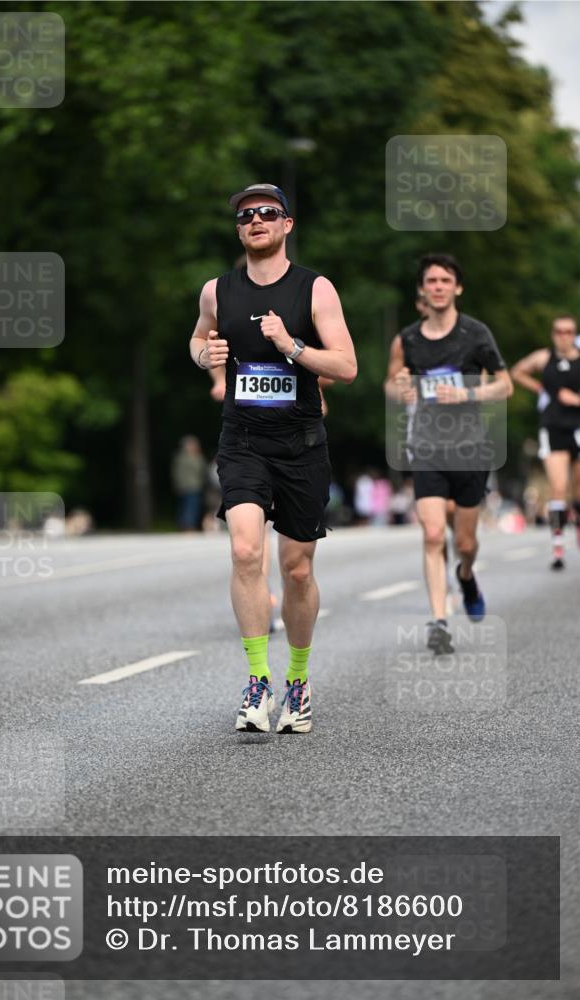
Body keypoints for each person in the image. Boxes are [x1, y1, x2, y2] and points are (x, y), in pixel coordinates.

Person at [189, 183, 357, 733]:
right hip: (242, 441)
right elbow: (198, 341)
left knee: (297, 569)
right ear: (239, 230)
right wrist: (205, 355)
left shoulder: (315, 289)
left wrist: (291, 345)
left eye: (267, 212)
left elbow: (346, 367)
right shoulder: (217, 291)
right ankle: (258, 680)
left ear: (287, 224)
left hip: (301, 445)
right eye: (246, 216)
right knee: (244, 551)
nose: (256, 220)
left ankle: (298, 680)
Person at [385, 253, 513, 654]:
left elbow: (505, 385)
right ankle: (439, 620)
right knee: (433, 533)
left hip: (470, 449)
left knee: (466, 543)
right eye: (431, 281)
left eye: (445, 281)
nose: (438, 287)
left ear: (457, 288)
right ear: (422, 289)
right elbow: (391, 383)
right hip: (426, 447)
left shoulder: (475, 334)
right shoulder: (407, 340)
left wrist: (467, 394)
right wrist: (400, 389)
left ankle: (467, 575)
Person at [511, 314, 580, 569]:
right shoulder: (544, 357)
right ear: (553, 334)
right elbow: (517, 372)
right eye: (559, 332)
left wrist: (576, 400)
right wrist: (540, 388)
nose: (564, 337)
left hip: (578, 426)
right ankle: (558, 546)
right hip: (552, 428)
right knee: (558, 487)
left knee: (578, 489)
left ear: (574, 334)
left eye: (568, 332)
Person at [171, 435, 208, 531]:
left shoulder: (198, 457)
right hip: (185, 486)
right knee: (186, 507)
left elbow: (203, 470)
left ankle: (189, 525)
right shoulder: (181, 457)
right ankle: (186, 526)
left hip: (195, 486)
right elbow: (176, 472)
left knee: (193, 506)